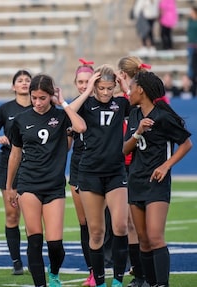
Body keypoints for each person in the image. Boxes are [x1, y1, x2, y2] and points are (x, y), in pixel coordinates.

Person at [6, 74, 86, 287]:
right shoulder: (21, 120)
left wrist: (63, 103)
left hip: (54, 185)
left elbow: (80, 128)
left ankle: (54, 273)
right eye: (34, 98)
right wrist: (9, 186)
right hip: (28, 183)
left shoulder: (62, 116)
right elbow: (15, 155)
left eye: (43, 98)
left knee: (55, 245)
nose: (38, 103)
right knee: (34, 239)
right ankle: (41, 284)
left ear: (51, 95)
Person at [123, 71, 192, 287]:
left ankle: (162, 284)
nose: (129, 92)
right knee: (143, 240)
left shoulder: (163, 116)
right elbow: (124, 149)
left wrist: (165, 166)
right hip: (136, 181)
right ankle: (151, 283)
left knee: (154, 237)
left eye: (131, 88)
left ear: (140, 90)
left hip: (156, 184)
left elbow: (186, 144)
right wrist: (138, 132)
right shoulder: (134, 115)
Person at [69, 65, 130, 287]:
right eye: (101, 88)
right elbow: (70, 111)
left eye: (109, 88)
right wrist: (87, 91)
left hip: (115, 172)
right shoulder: (86, 104)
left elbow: (138, 104)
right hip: (90, 173)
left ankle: (118, 280)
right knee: (95, 232)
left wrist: (124, 86)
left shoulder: (121, 103)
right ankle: (100, 280)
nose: (105, 93)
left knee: (120, 226)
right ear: (95, 86)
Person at [0, 70, 32, 275]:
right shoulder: (5, 109)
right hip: (8, 163)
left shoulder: (39, 106)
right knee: (12, 215)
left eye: (27, 80)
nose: (24, 83)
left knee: (32, 217)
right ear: (13, 87)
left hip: (32, 164)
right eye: (20, 80)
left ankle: (34, 260)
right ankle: (16, 262)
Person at [117, 56, 151, 287]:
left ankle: (149, 273)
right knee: (131, 224)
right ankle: (139, 273)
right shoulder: (122, 100)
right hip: (124, 166)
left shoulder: (143, 97)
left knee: (147, 226)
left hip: (141, 164)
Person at [66, 58, 96, 287]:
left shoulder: (108, 103)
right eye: (80, 82)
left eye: (88, 81)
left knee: (110, 223)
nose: (84, 85)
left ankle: (120, 269)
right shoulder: (73, 106)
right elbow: (67, 144)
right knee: (84, 222)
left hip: (105, 167)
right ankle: (92, 272)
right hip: (78, 165)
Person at [186, 6, 197, 84]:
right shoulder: (190, 21)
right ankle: (191, 78)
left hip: (195, 44)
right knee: (190, 62)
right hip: (190, 45)